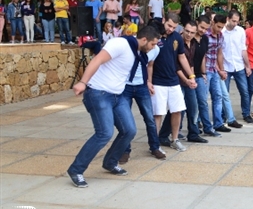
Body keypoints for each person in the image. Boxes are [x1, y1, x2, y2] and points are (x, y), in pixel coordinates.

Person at [66, 26, 161, 188]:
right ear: (144, 40)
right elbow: (97, 60)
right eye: (152, 44)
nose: (154, 48)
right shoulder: (120, 44)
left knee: (129, 130)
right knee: (104, 133)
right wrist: (83, 82)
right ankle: (76, 170)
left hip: (118, 95)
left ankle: (110, 162)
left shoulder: (138, 52)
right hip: (98, 93)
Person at [147, 13, 194, 151]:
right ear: (163, 21)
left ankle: (175, 139)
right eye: (169, 26)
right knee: (158, 113)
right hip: (158, 80)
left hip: (173, 80)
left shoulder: (177, 37)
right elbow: (150, 63)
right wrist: (149, 81)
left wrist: (191, 75)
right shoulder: (155, 36)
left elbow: (182, 58)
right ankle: (154, 144)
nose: (170, 29)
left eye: (174, 27)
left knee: (177, 110)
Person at [205, 14, 236, 133]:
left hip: (214, 70)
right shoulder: (205, 35)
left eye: (221, 27)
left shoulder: (220, 36)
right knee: (203, 98)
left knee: (218, 96)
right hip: (206, 70)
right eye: (218, 26)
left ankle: (218, 123)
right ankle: (198, 122)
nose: (219, 29)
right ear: (212, 22)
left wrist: (222, 70)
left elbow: (219, 53)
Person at [222, 10, 253, 123]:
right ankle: (223, 114)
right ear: (228, 19)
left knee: (244, 91)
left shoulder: (240, 31)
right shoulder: (222, 32)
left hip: (239, 65)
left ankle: (246, 113)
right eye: (233, 21)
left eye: (237, 21)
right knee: (224, 93)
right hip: (225, 66)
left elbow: (243, 49)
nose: (235, 23)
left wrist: (248, 66)